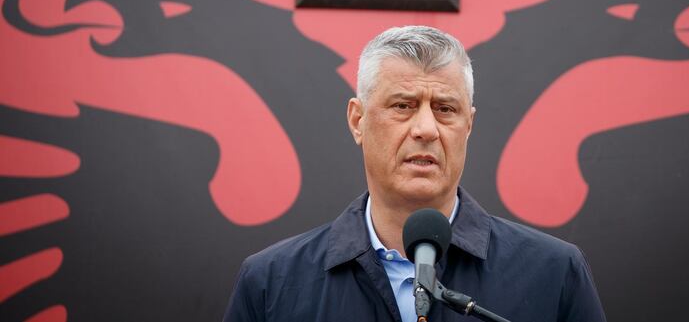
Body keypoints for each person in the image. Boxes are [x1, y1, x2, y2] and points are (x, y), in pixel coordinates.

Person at [223, 26, 606, 321]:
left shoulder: (554, 273)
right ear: (358, 121)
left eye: (445, 109)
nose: (426, 128)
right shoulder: (272, 282)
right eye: (403, 105)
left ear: (468, 125)